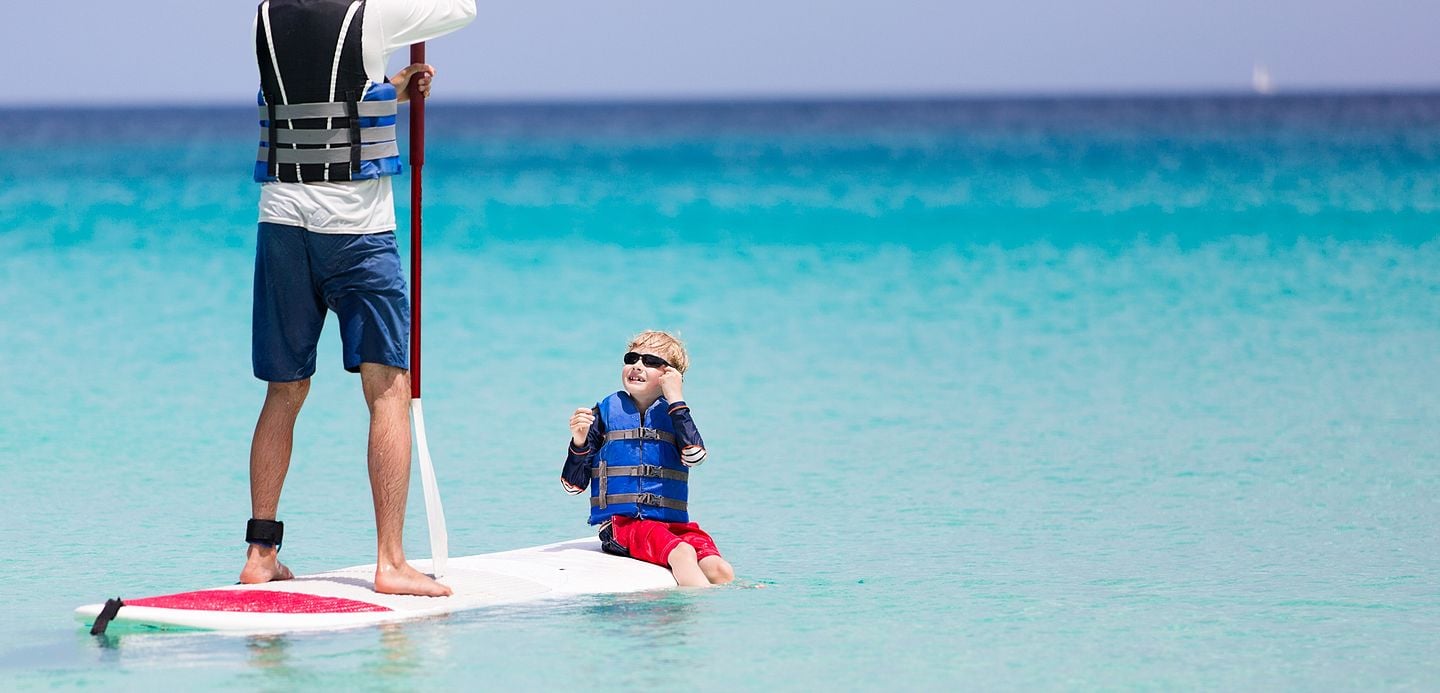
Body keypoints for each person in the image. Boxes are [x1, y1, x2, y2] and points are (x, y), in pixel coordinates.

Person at [239, 0, 476, 597]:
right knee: (387, 388)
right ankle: (391, 562)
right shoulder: (371, 16)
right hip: (357, 232)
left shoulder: (264, 14)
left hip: (281, 222)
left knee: (284, 389)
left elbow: (321, 99)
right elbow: (462, 10)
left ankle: (260, 553)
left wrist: (385, 93)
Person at [561, 331, 735, 587]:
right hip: (621, 526)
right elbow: (572, 486)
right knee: (683, 553)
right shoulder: (604, 414)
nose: (637, 366)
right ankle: (693, 621)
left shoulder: (675, 414)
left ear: (670, 375)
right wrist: (578, 441)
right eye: (632, 358)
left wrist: (676, 399)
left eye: (651, 361)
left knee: (719, 568)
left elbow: (695, 455)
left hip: (671, 525)